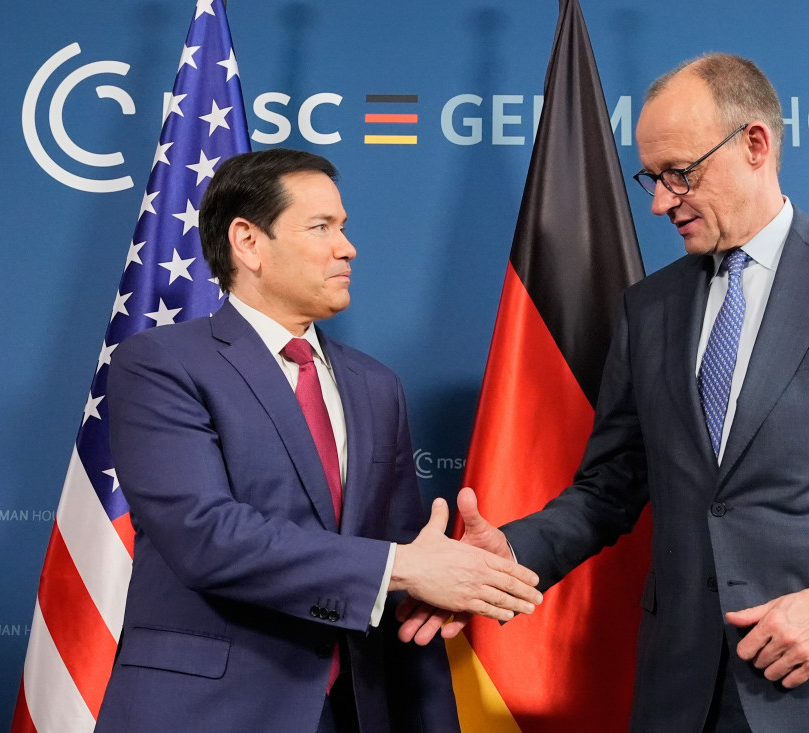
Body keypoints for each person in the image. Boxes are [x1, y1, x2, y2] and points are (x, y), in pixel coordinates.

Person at [400, 54, 809, 732]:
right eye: (652, 178)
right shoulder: (648, 308)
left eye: (681, 173)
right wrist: (512, 556)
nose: (661, 202)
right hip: (686, 694)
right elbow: (611, 486)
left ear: (755, 144)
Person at [96, 148, 542, 733]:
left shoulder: (376, 384)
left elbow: (403, 569)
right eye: (321, 227)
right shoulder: (160, 363)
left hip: (356, 709)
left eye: (344, 227)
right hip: (209, 712)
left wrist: (447, 574)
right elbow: (206, 535)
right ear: (248, 242)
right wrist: (402, 566)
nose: (347, 248)